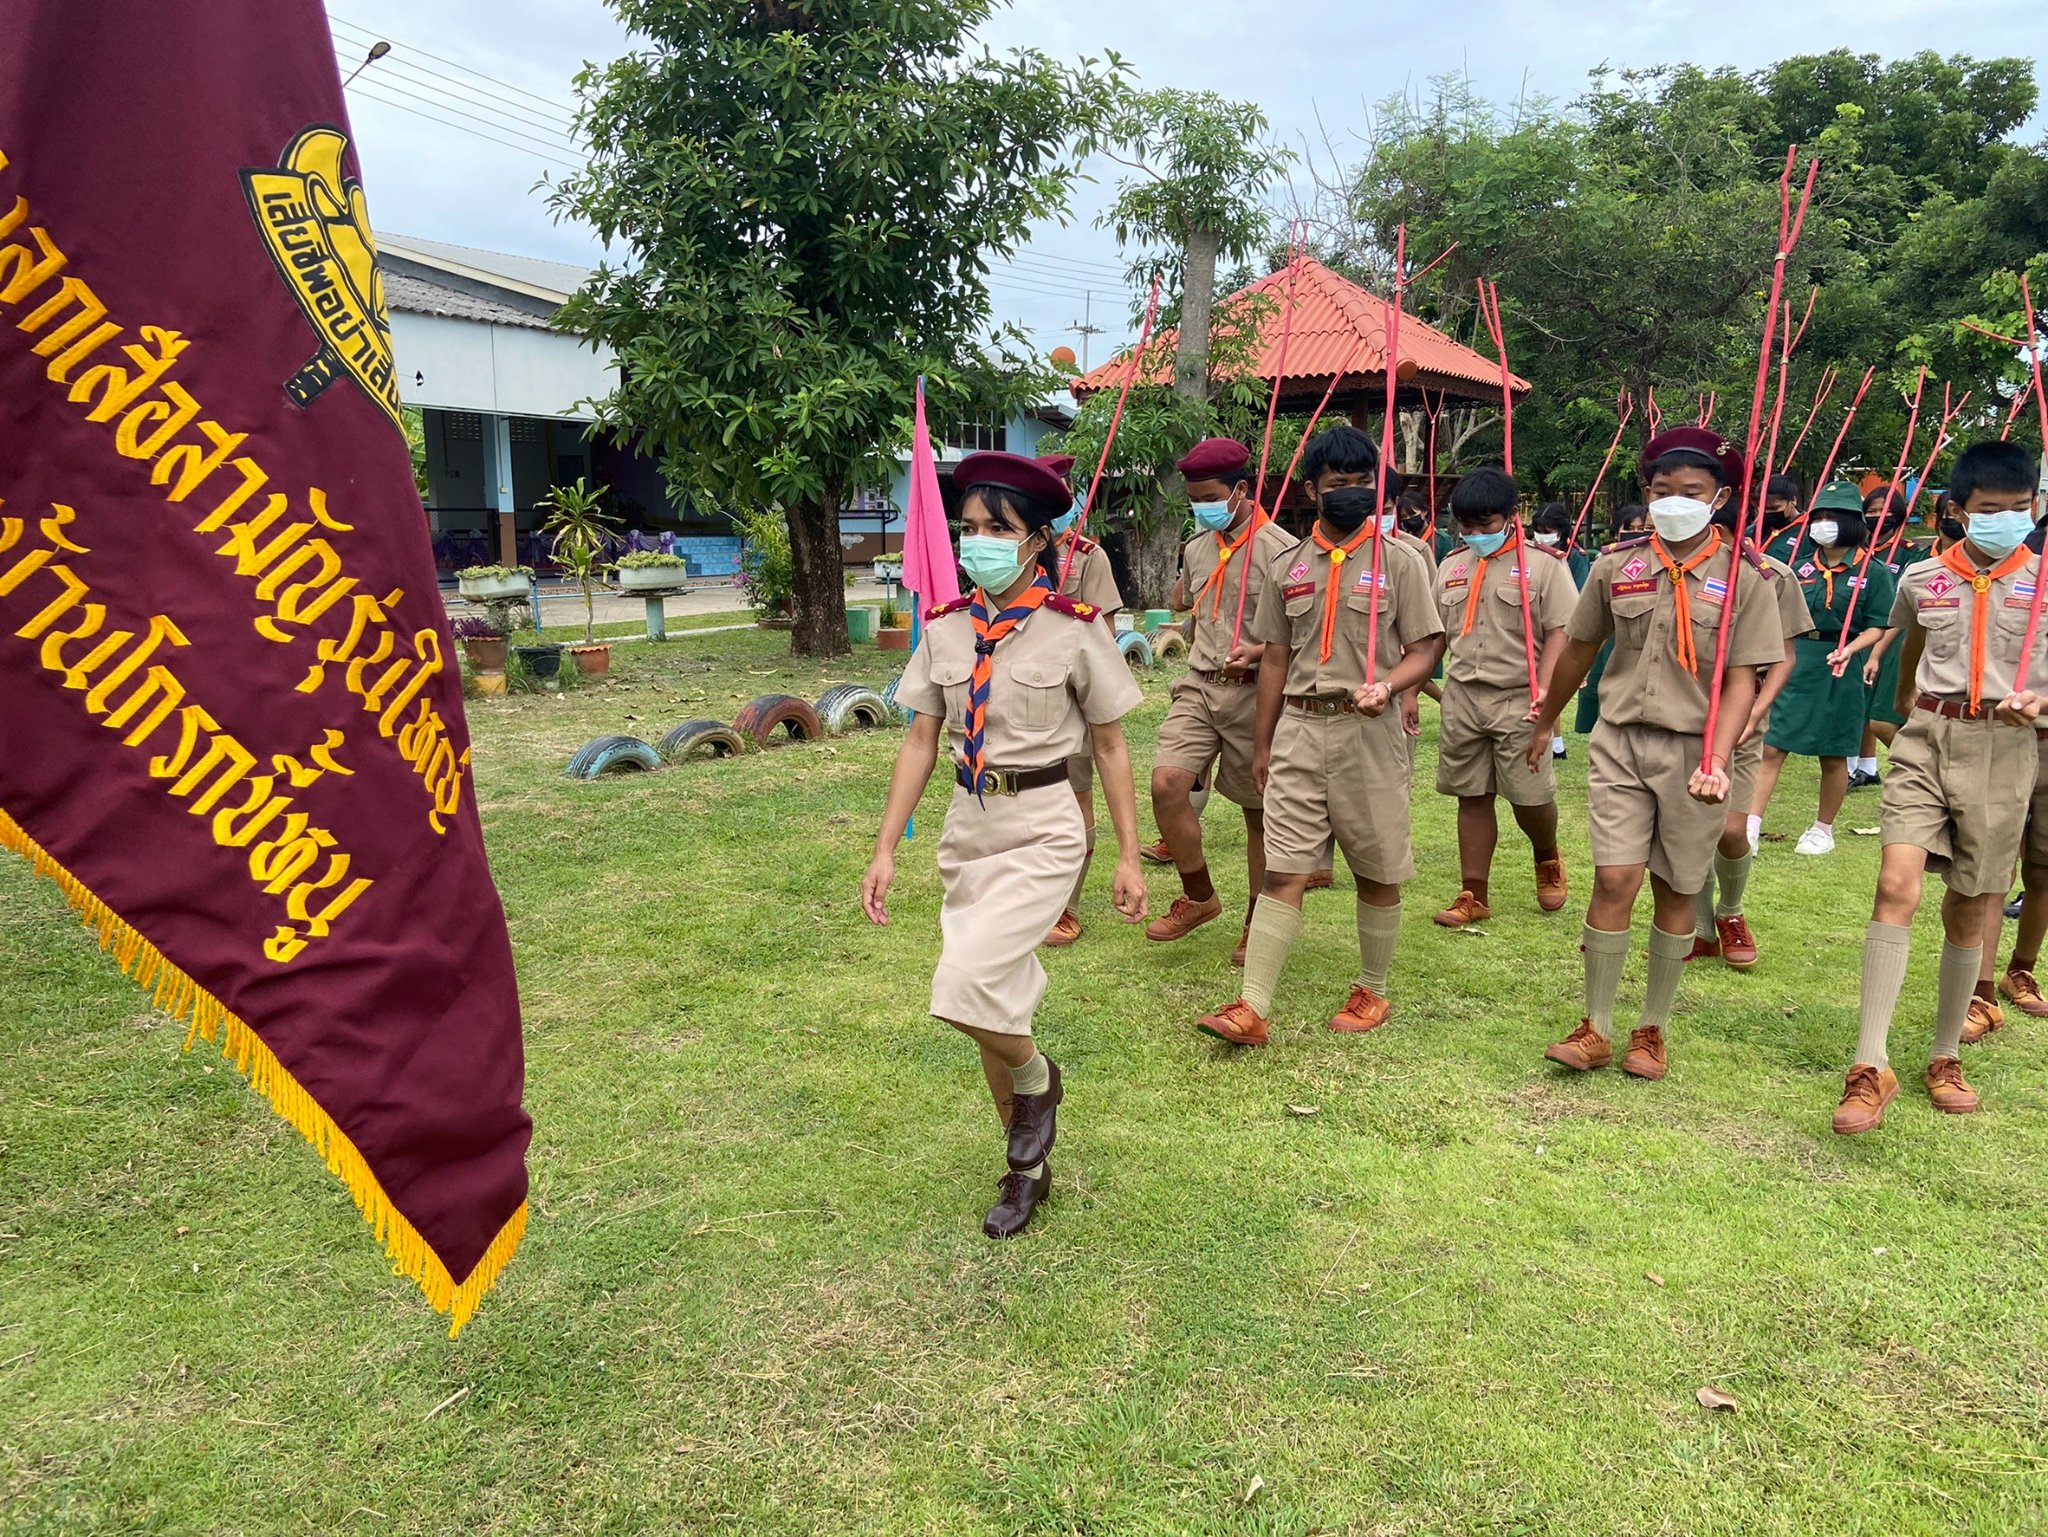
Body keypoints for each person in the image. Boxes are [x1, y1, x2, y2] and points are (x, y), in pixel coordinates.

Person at [863, 451, 1148, 1237]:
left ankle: (1036, 1075)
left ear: (1037, 540)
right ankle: (1025, 1170)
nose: (979, 541)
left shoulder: (1075, 629)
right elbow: (921, 740)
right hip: (969, 827)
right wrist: (886, 847)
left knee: (963, 982)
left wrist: (1128, 853)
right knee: (993, 996)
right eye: (970, 526)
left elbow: (1112, 745)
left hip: (1046, 824)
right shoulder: (946, 627)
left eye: (998, 528)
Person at [1523, 427, 1783, 1079]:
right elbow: (1579, 649)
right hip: (1621, 743)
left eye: (1692, 492)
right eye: (1663, 490)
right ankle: (1596, 1025)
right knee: (1615, 878)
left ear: (1719, 497)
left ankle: (1652, 1028)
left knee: (1676, 886)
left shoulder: (1747, 578)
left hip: (1696, 752)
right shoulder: (1618, 565)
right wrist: (1547, 719)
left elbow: (1743, 680)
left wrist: (1717, 759)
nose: (1674, 502)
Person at [1194, 425, 1446, 1046]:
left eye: (1363, 483)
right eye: (1338, 483)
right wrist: (1263, 743)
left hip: (1370, 731)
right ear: (1312, 490)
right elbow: (1274, 659)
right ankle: (1252, 1006)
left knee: (1377, 868)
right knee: (1284, 869)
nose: (1351, 493)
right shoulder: (1288, 566)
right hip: (1300, 729)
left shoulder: (1401, 561)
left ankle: (1372, 990)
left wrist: (1390, 685)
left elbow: (1426, 647)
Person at [1832, 440, 2048, 1134]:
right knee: (1895, 885)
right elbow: (1911, 648)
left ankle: (1945, 1054)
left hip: (2005, 749)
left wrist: (2040, 703)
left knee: (1972, 906)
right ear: (1958, 510)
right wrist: (1902, 713)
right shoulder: (1922, 576)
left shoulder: (2044, 581)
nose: (2007, 520)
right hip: (1928, 738)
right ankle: (1870, 1064)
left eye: (2020, 508)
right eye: (1991, 509)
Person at [1147, 437, 1297, 965]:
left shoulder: (1283, 551)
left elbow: (1299, 634)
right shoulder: (1197, 547)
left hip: (1257, 691)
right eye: (1193, 499)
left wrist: (1256, 652)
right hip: (1199, 682)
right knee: (1167, 784)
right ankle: (1199, 897)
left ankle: (1257, 920)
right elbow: (1187, 601)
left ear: (1240, 490)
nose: (1202, 508)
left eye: (1210, 497)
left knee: (1260, 814)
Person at [1430, 468, 1577, 928]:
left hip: (1520, 698)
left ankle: (1546, 854)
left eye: (1486, 525)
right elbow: (1434, 636)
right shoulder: (1451, 566)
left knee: (1529, 797)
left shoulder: (1544, 566)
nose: (1476, 535)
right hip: (1463, 697)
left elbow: (1561, 631)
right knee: (1471, 795)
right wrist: (1409, 689)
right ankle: (1473, 893)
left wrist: (1546, 693)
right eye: (1467, 527)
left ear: (1512, 517)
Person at [1687, 496, 1814, 969]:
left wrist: (1755, 713)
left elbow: (1784, 657)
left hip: (1740, 717)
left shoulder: (1772, 576)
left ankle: (1731, 910)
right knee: (1691, 830)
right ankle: (1700, 928)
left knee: (1731, 829)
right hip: (1682, 714)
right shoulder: (1676, 573)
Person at [1748, 483, 1895, 858]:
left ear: (1852, 523)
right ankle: (1751, 823)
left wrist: (1852, 649)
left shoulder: (1872, 572)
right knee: (1772, 745)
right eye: (1819, 517)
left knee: (1833, 753)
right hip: (1798, 659)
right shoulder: (1799, 568)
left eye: (1833, 517)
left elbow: (1879, 624)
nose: (1823, 524)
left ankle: (1822, 829)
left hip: (1841, 663)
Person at [1029, 454, 1126, 949]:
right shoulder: (1019, 551)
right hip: (1022, 697)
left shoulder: (1089, 557)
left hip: (1068, 697)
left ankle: (1068, 906)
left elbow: (1102, 635)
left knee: (1075, 795)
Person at [1571, 503, 1647, 740]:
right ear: (1617, 532)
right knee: (1601, 696)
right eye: (1629, 528)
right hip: (1611, 643)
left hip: (1642, 646)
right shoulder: (1607, 563)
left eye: (1642, 529)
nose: (1636, 534)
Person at [1760, 473, 1803, 563]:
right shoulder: (1754, 530)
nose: (1768, 512)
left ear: (1793, 500)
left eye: (1774, 508)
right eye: (1765, 508)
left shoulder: (1808, 532)